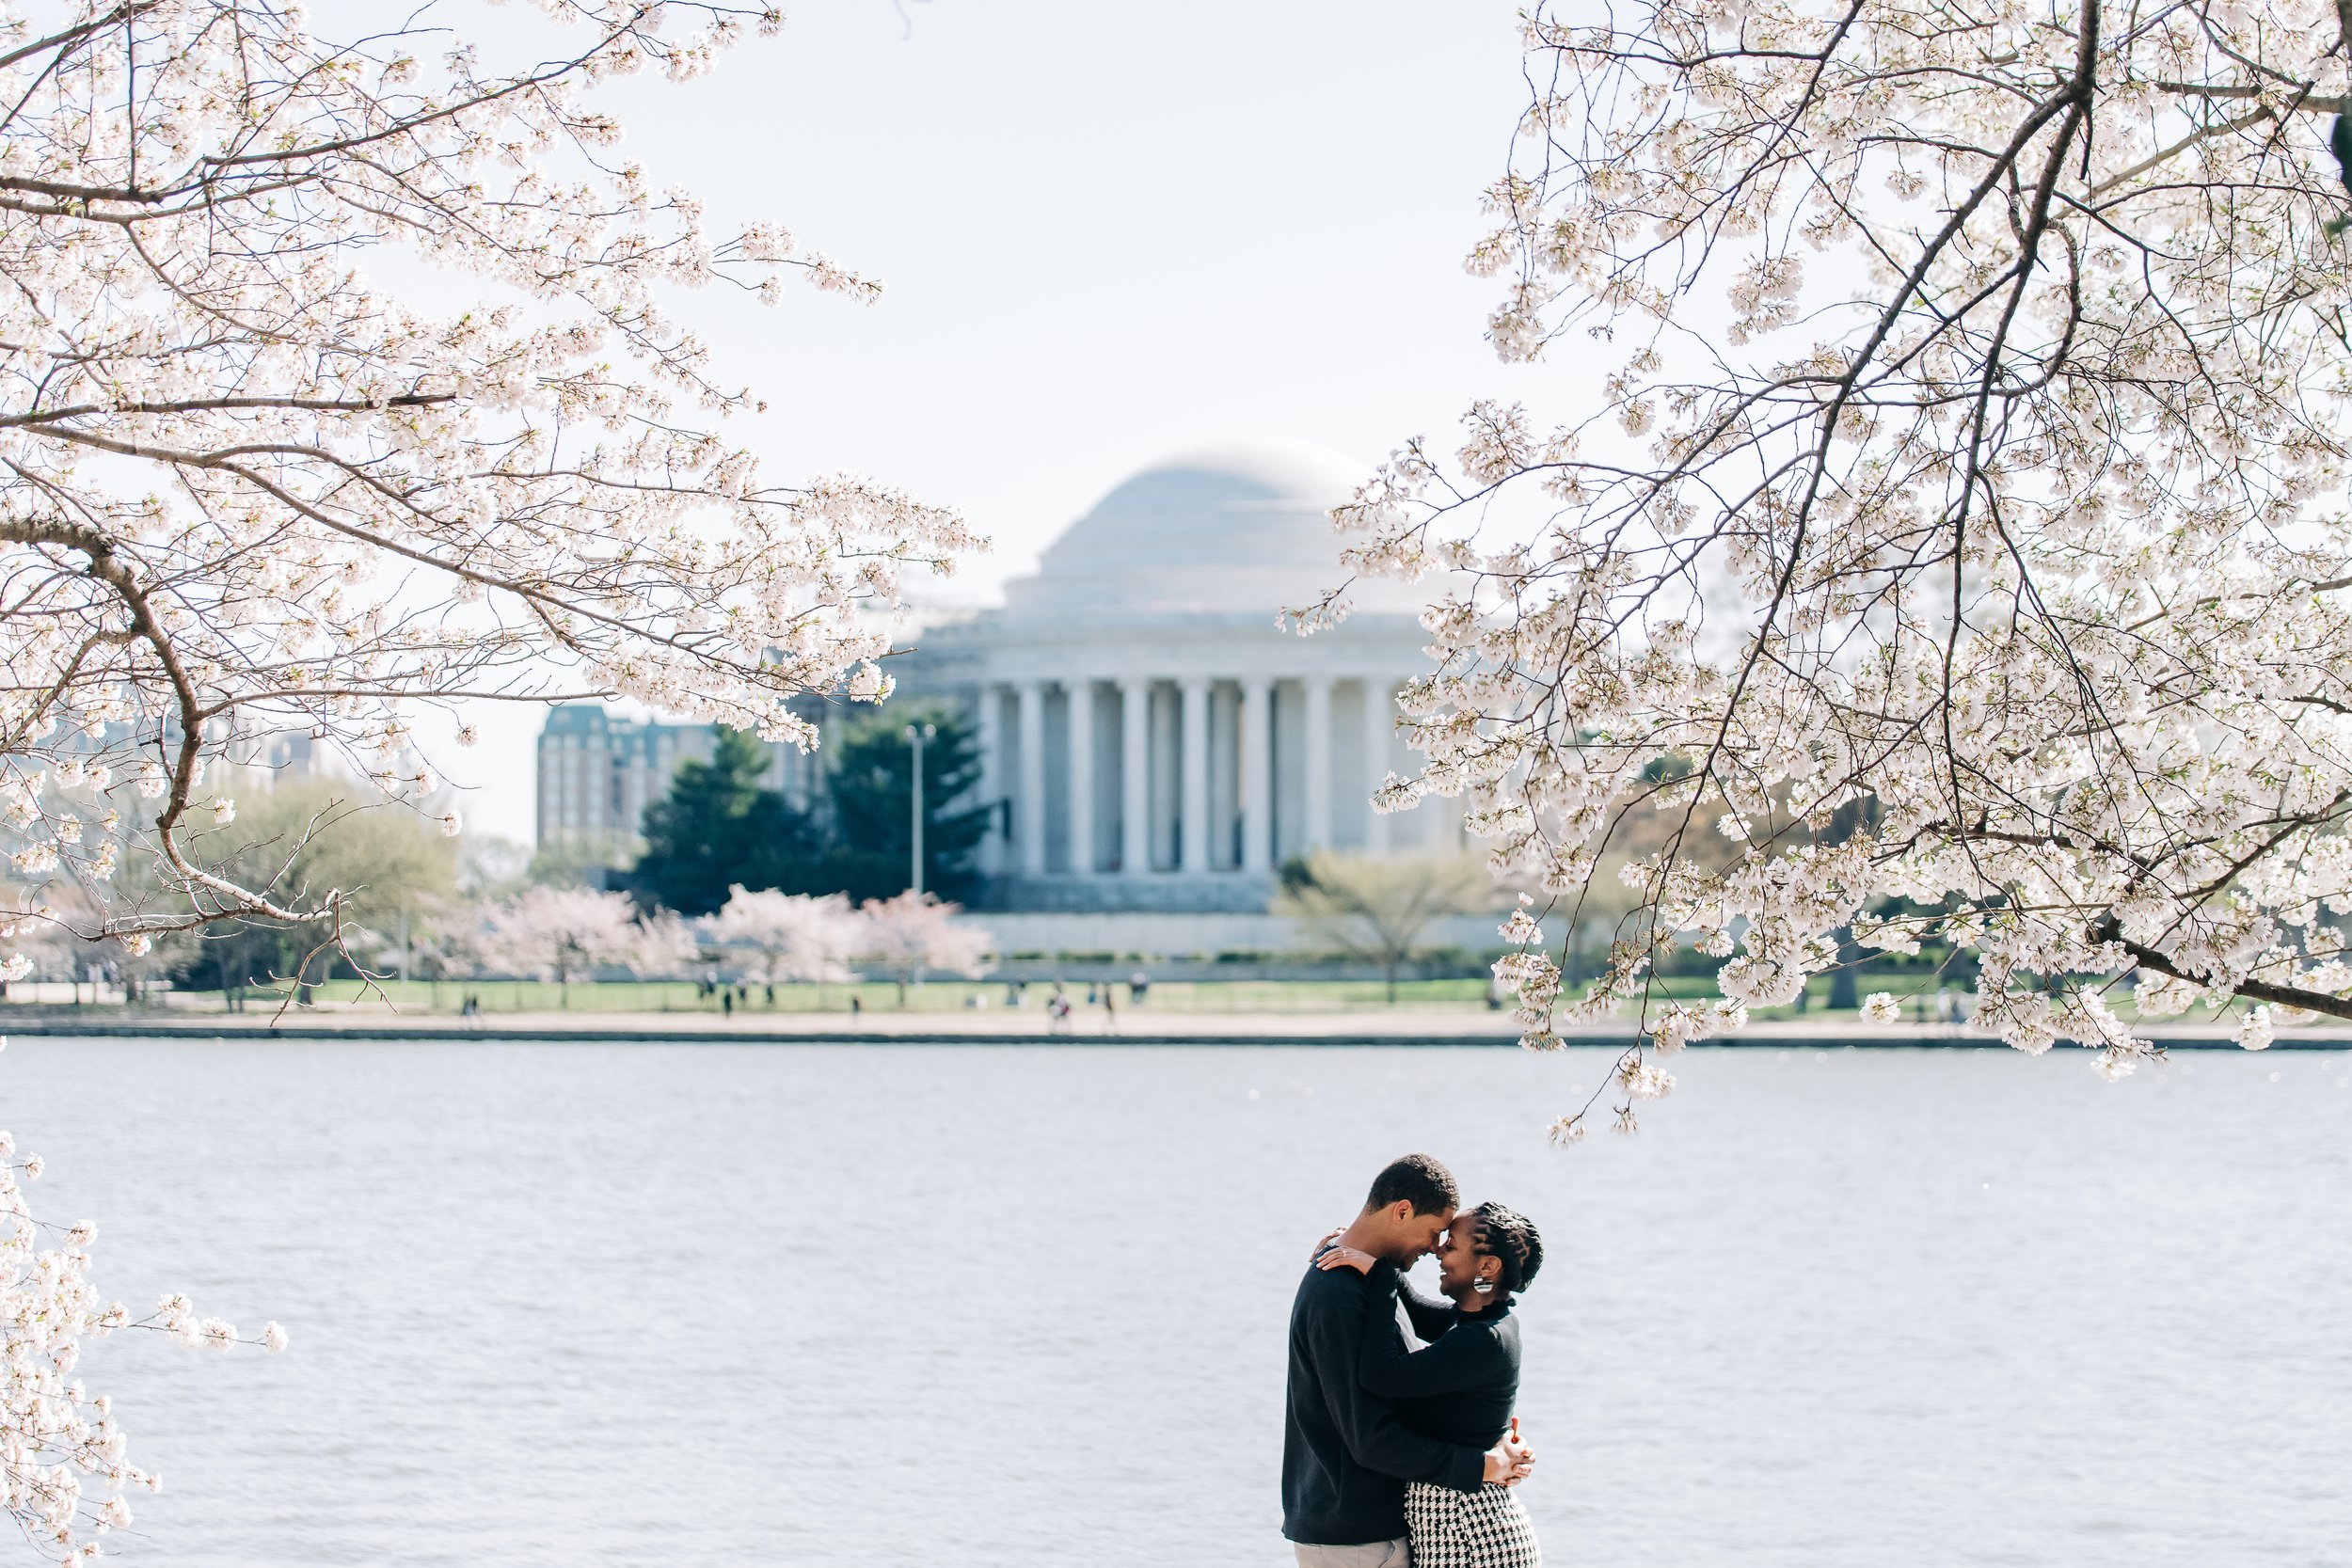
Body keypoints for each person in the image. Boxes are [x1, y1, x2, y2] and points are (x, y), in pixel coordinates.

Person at [1285, 1154, 1533, 1567]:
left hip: (1388, 1533)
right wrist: (1482, 1464)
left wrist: (1492, 1441)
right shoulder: (1342, 1295)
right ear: (1402, 1211)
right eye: (1438, 1233)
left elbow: (1424, 1383)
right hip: (1358, 1538)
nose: (1436, 1248)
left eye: (1448, 1242)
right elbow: (1372, 1438)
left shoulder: (1375, 1288)